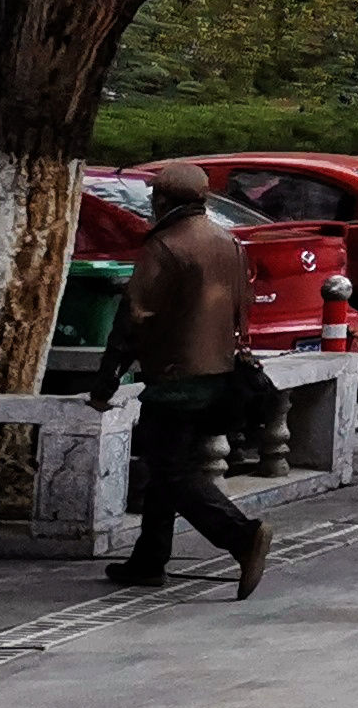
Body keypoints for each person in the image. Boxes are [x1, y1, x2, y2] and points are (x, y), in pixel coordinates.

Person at [90, 162, 274, 597]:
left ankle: (241, 536)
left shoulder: (166, 245)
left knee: (172, 471)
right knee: (165, 468)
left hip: (175, 378)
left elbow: (133, 317)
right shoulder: (225, 240)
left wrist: (106, 380)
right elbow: (242, 303)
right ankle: (148, 559)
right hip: (220, 374)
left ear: (163, 201)